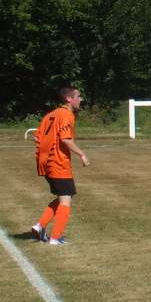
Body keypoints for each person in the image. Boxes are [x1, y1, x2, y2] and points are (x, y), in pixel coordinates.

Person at [30, 85, 90, 245]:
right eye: (78, 96)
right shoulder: (66, 115)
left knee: (66, 195)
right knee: (65, 200)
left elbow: (37, 137)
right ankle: (56, 237)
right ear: (69, 99)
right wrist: (81, 154)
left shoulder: (51, 115)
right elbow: (65, 139)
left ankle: (40, 225)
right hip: (58, 163)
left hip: (46, 163)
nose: (80, 99)